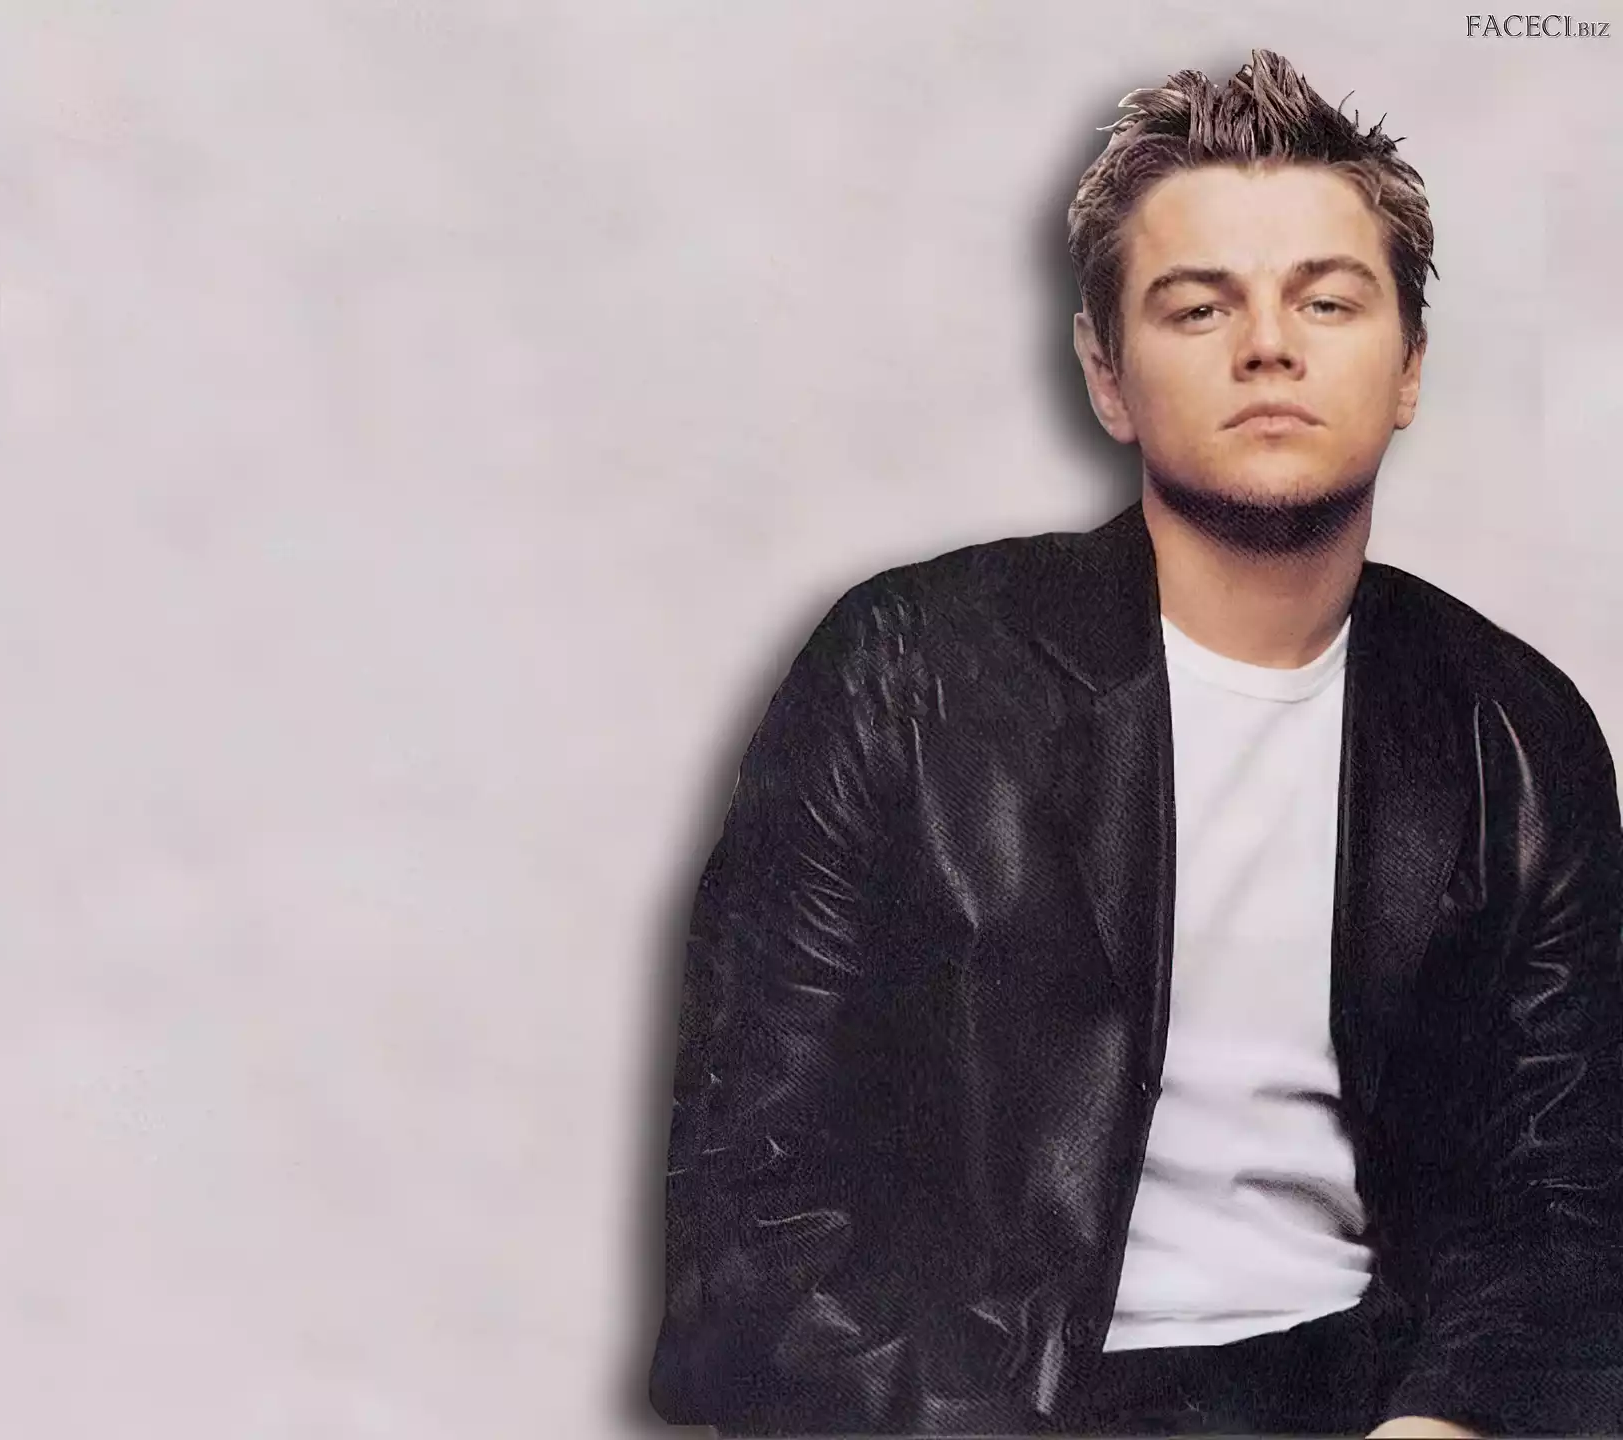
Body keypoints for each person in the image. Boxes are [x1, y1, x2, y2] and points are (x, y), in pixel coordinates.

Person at [645, 49, 1623, 1438]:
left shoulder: (1511, 733)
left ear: (1408, 367)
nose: (1268, 345)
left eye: (1327, 300)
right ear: (1107, 377)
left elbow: (1565, 1209)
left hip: (1369, 1399)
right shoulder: (909, 673)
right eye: (1197, 305)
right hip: (984, 1410)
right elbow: (751, 1225)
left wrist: (1442, 1423)